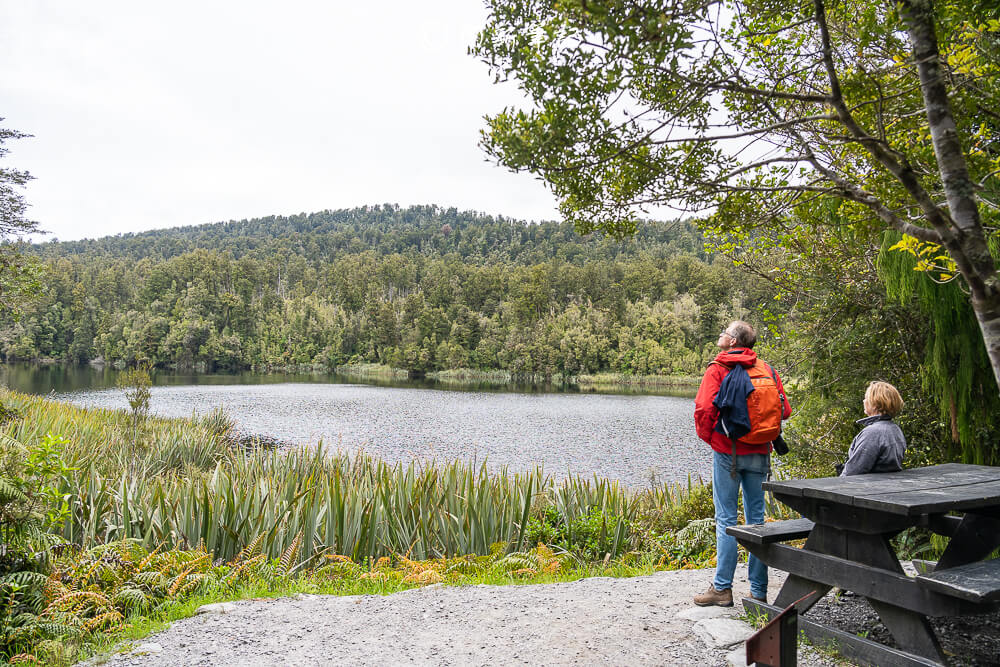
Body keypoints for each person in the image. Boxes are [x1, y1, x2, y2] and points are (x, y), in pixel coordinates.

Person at [692, 321, 791, 607]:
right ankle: (758, 592)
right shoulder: (767, 369)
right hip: (761, 453)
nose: (720, 334)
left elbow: (703, 409)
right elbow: (785, 409)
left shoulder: (718, 369)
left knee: (725, 519)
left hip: (728, 453)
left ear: (733, 341)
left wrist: (711, 439)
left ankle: (722, 589)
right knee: (756, 521)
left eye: (724, 331)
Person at [838, 381, 906, 476]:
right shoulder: (895, 429)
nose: (863, 401)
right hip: (886, 486)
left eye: (866, 398)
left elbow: (853, 472)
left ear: (875, 403)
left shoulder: (872, 433)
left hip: (867, 488)